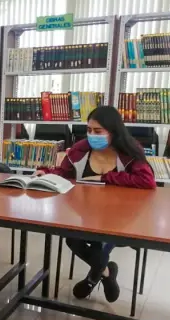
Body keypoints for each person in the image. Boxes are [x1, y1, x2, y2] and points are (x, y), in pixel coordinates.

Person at [36, 105, 156, 303]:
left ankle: (93, 277)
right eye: (89, 130)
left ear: (113, 132)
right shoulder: (80, 149)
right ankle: (107, 271)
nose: (92, 135)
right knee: (72, 238)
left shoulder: (128, 151)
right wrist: (46, 173)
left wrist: (105, 178)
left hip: (120, 216)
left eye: (98, 131)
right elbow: (64, 173)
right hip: (85, 213)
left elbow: (147, 181)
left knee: (105, 238)